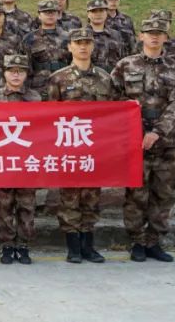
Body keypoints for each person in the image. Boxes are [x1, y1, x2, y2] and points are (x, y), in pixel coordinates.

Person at [113, 19, 175, 263]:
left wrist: (156, 132)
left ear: (166, 38)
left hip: (166, 141)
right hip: (133, 140)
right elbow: (115, 99)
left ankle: (154, 241)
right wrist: (134, 128)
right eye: (149, 33)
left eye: (159, 33)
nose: (154, 37)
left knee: (163, 193)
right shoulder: (125, 66)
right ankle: (137, 241)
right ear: (141, 36)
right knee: (136, 193)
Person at [46, 28, 114, 264]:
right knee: (70, 197)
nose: (83, 47)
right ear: (70, 47)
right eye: (78, 43)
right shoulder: (58, 78)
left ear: (93, 46)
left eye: (87, 43)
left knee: (92, 197)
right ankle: (73, 247)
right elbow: (49, 115)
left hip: (95, 148)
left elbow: (113, 113)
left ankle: (88, 246)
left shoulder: (105, 78)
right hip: (69, 147)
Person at [0, 54, 41, 264]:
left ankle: (23, 245)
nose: (16, 75)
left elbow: (42, 129)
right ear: (4, 73)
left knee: (27, 205)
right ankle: (6, 245)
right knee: (3, 204)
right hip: (1, 158)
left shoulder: (35, 97)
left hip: (27, 158)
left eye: (21, 71)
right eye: (11, 71)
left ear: (26, 74)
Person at [21, 0, 71, 98]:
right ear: (39, 15)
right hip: (39, 85)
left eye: (53, 12)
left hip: (64, 83)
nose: (50, 15)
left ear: (58, 15)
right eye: (46, 12)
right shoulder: (29, 38)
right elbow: (25, 66)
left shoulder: (68, 37)